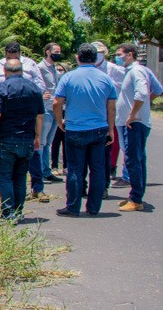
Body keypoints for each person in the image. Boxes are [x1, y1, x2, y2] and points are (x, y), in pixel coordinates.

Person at [52, 43, 117, 217]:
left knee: (75, 169)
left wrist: (60, 122)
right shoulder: (106, 79)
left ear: (77, 57)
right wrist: (111, 129)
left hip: (74, 129)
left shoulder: (68, 77)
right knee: (97, 169)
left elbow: (56, 102)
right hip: (99, 129)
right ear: (96, 59)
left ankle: (73, 207)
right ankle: (94, 207)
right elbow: (111, 108)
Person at [0, 42, 48, 202]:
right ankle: (18, 210)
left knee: (6, 177)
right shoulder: (33, 90)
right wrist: (38, 136)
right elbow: (40, 115)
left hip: (7, 135)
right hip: (27, 135)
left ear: (5, 72)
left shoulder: (3, 89)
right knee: (20, 177)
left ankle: (8, 212)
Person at [114, 43, 153, 211]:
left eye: (119, 54)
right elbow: (157, 89)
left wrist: (132, 114)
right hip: (135, 122)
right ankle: (136, 195)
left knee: (132, 160)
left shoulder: (136, 71)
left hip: (135, 123)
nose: (117, 57)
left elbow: (142, 93)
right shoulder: (134, 71)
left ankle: (136, 199)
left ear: (130, 54)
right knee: (138, 159)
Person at [92, 41, 126, 193]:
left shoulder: (116, 70)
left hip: (109, 114)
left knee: (105, 151)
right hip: (92, 116)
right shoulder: (89, 68)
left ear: (105, 53)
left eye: (100, 52)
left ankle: (104, 184)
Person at [38, 43, 63, 184]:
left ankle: (46, 171)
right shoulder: (40, 67)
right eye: (56, 51)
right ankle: (40, 172)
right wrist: (40, 95)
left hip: (55, 108)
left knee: (48, 142)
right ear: (48, 52)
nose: (58, 53)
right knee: (41, 142)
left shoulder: (54, 68)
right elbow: (35, 83)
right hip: (46, 108)